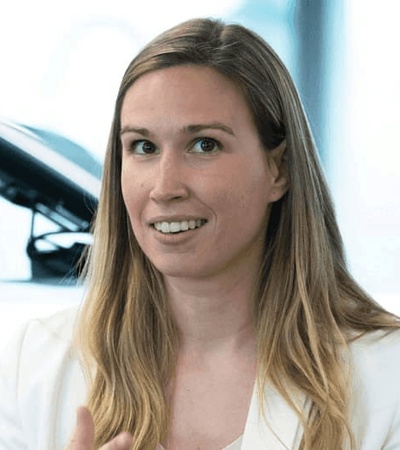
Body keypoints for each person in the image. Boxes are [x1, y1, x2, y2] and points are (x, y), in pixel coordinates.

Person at [0, 17, 399, 450]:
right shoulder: (34, 364)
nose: (165, 187)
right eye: (143, 147)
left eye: (204, 144)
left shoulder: (385, 376)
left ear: (278, 169)